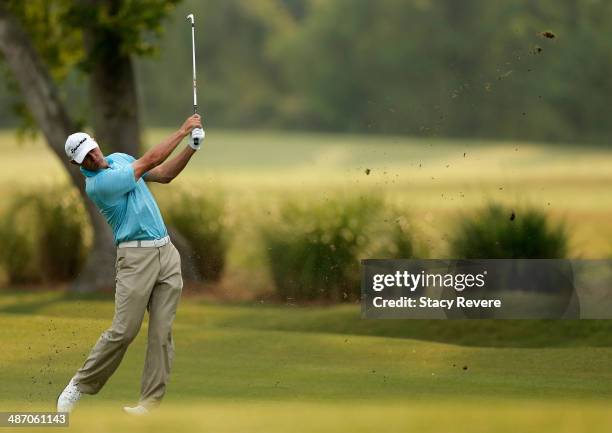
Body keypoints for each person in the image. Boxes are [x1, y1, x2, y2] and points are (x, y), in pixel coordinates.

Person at [56, 115, 205, 415]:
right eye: (86, 156)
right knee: (124, 331)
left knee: (162, 334)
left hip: (166, 253)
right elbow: (149, 161)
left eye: (93, 149)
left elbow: (162, 174)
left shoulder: (119, 158)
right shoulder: (98, 185)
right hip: (135, 260)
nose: (94, 157)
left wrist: (192, 147)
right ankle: (78, 384)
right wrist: (182, 131)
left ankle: (148, 405)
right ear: (77, 163)